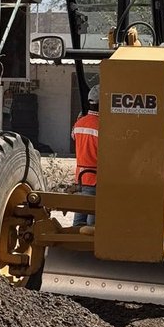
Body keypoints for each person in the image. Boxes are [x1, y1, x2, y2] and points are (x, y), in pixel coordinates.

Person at [72, 85, 100, 227]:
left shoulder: (78, 124)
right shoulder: (104, 126)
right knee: (91, 225)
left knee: (78, 220)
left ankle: (73, 247)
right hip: (95, 178)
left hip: (81, 177)